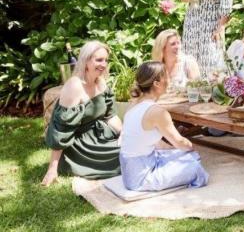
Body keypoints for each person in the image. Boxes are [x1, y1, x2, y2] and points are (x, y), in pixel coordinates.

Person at [42, 41, 122, 186]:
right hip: (79, 146)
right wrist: (52, 169)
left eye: (105, 60)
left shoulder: (101, 82)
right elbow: (61, 130)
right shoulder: (74, 86)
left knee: (129, 150)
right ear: (86, 61)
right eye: (98, 60)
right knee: (123, 158)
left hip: (99, 136)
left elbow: (111, 116)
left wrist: (125, 135)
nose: (103, 64)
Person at [120, 61, 209, 191]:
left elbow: (154, 143)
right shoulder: (157, 112)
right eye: (166, 77)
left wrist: (180, 152)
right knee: (195, 167)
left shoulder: (133, 104)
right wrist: (192, 147)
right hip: (141, 178)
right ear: (156, 83)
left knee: (190, 156)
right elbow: (180, 142)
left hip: (134, 169)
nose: (169, 80)